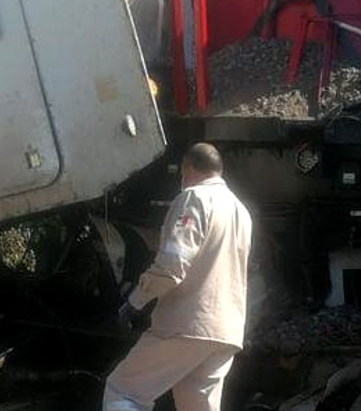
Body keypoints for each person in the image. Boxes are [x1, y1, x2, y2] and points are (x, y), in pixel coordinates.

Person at [103, 142, 253, 411]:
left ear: (187, 168)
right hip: (226, 330)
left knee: (123, 391)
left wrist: (134, 303)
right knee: (196, 406)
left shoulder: (194, 198)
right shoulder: (241, 211)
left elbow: (172, 265)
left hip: (188, 324)